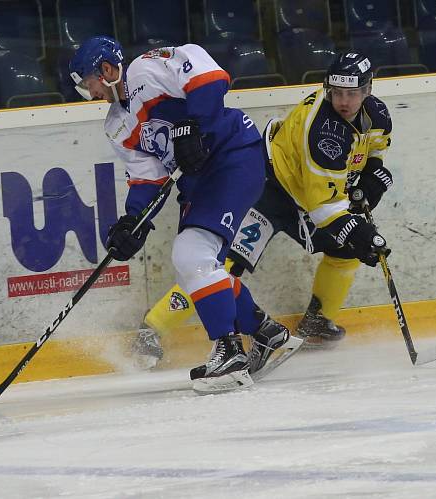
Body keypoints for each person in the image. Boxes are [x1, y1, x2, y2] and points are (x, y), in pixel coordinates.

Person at [68, 36, 299, 393]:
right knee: (197, 266)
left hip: (232, 158)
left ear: (107, 70)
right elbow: (148, 179)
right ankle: (266, 333)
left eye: (90, 83)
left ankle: (230, 352)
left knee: (192, 255)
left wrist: (194, 124)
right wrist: (135, 221)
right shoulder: (117, 126)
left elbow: (209, 76)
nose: (91, 92)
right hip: (199, 182)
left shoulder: (147, 69)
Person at [141, 52, 393, 351]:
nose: (343, 101)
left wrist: (373, 173)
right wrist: (359, 231)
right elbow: (322, 205)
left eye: (352, 94)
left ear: (367, 91)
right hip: (266, 189)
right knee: (221, 264)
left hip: (304, 197)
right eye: (337, 92)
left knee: (345, 251)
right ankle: (152, 330)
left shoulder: (376, 115)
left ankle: (317, 320)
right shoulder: (325, 131)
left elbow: (373, 148)